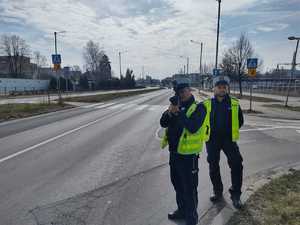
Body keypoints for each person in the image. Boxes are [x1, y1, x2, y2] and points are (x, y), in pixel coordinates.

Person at [160, 80, 208, 225]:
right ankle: (182, 211)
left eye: (183, 91)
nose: (180, 94)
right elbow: (163, 123)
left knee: (189, 188)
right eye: (178, 93)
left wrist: (179, 112)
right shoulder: (175, 107)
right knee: (177, 185)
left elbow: (192, 127)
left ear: (189, 90)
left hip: (189, 157)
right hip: (174, 153)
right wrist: (170, 112)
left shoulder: (199, 107)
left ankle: (191, 217)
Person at [204, 76, 244, 209]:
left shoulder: (234, 103)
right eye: (219, 87)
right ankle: (218, 191)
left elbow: (240, 121)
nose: (222, 89)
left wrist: (230, 131)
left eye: (224, 87)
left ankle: (236, 194)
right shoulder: (207, 104)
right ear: (214, 88)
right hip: (212, 140)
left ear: (227, 88)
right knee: (213, 166)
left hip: (228, 140)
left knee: (237, 164)